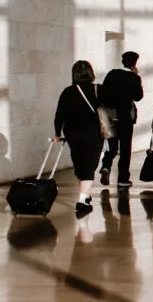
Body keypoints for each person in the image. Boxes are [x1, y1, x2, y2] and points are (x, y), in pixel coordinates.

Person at [54, 60, 111, 217]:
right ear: (91, 73)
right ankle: (82, 200)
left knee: (81, 166)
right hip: (93, 133)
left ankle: (84, 195)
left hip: (73, 134)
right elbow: (111, 108)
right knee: (89, 166)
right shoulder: (99, 90)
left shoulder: (67, 92)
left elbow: (59, 115)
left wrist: (57, 134)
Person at [100, 51, 144, 189]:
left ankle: (106, 167)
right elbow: (138, 97)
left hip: (111, 116)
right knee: (125, 148)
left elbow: (103, 92)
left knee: (112, 147)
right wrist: (137, 77)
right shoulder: (134, 78)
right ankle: (123, 178)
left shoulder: (112, 74)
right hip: (125, 118)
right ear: (134, 64)